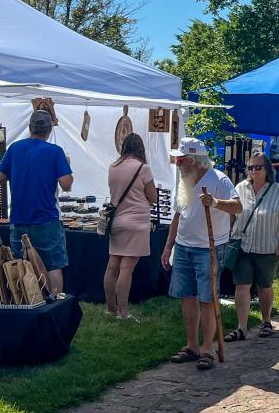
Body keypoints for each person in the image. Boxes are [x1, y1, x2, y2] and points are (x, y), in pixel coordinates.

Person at [160, 137, 241, 370]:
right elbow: (178, 215)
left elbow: (237, 207)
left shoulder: (219, 180)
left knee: (208, 298)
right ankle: (192, 345)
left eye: (181, 159)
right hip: (185, 247)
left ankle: (207, 348)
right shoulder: (184, 180)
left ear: (195, 160)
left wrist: (215, 202)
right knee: (187, 297)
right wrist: (168, 246)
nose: (177, 164)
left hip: (209, 248)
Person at [0, 109, 72, 295]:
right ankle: (55, 305)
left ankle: (25, 303)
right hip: (46, 219)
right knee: (53, 265)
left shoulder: (14, 148)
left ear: (30, 128)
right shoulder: (55, 152)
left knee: (20, 266)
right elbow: (66, 184)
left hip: (19, 219)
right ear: (49, 130)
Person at [225, 151, 279, 342]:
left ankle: (266, 321)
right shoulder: (240, 188)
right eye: (250, 167)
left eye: (257, 167)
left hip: (267, 248)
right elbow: (233, 214)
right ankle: (242, 327)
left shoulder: (277, 190)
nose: (253, 171)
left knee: (264, 286)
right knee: (241, 286)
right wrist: (228, 234)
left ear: (267, 170)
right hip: (243, 246)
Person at [103, 133, 156, 321]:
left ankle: (110, 308)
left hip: (117, 220)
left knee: (112, 267)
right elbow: (153, 198)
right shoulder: (143, 168)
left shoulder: (113, 167)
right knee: (126, 269)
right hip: (138, 222)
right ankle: (123, 312)